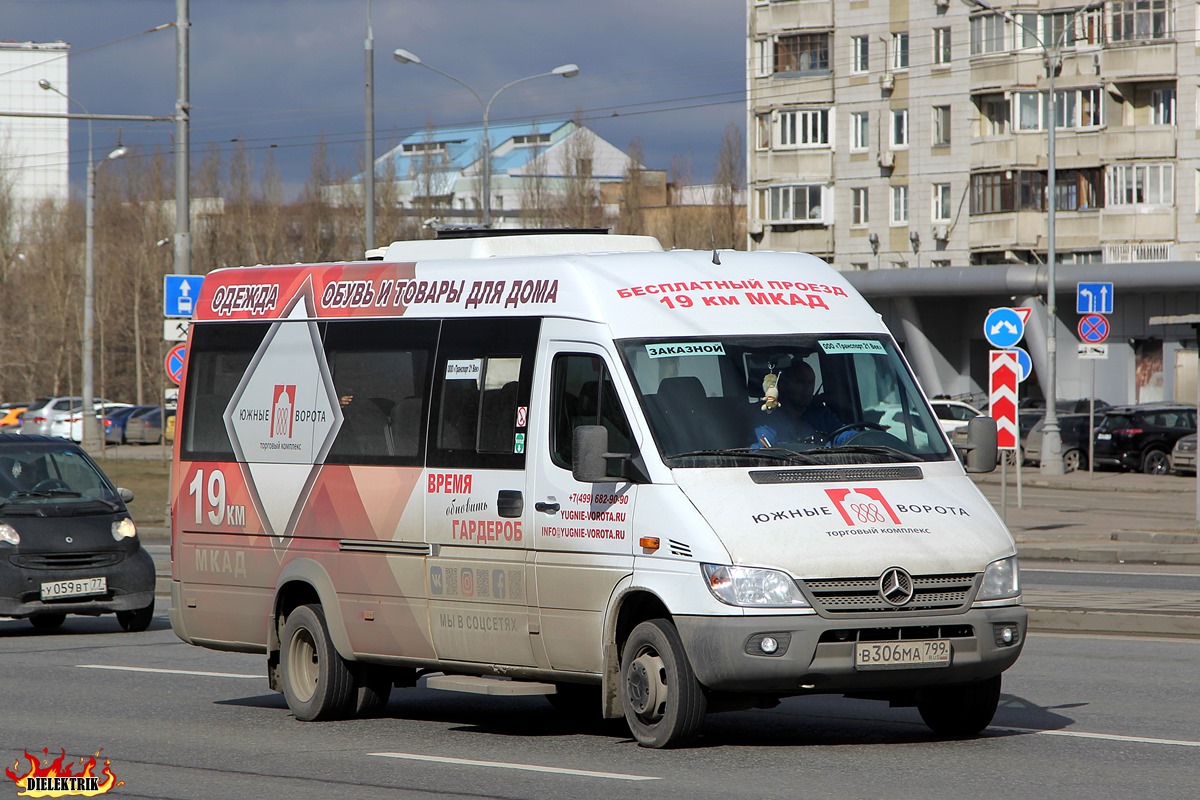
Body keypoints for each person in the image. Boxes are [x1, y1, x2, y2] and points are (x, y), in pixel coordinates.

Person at [752, 361, 843, 447]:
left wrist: (856, 438)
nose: (807, 388)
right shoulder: (768, 418)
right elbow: (759, 451)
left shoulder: (822, 416)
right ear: (783, 385)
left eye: (810, 382)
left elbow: (846, 436)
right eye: (800, 382)